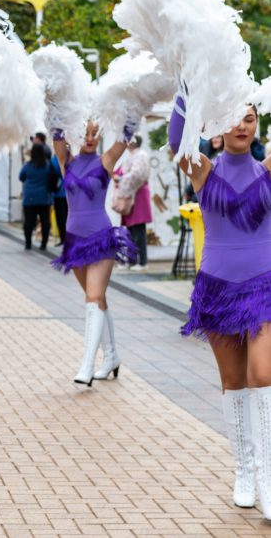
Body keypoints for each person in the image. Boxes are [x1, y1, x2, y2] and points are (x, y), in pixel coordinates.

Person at [171, 92, 271, 518]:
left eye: (249, 119)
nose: (242, 126)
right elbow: (177, 138)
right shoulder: (203, 171)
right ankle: (244, 470)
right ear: (217, 128)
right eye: (233, 119)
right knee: (233, 383)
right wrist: (187, 81)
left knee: (263, 373)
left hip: (265, 286)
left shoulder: (267, 171)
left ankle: (268, 476)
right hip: (217, 289)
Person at [52, 122, 136, 387]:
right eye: (84, 133)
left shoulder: (106, 159)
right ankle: (111, 356)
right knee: (98, 301)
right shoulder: (66, 160)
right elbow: (56, 128)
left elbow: (125, 135)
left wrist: (130, 109)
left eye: (94, 133)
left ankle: (87, 365)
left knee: (93, 298)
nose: (89, 138)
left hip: (100, 238)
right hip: (74, 241)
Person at [114, 135, 152, 271]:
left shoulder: (140, 155)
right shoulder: (131, 156)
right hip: (132, 195)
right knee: (131, 229)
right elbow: (122, 172)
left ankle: (141, 261)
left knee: (138, 229)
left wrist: (121, 178)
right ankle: (131, 260)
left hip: (138, 194)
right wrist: (118, 176)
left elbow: (138, 175)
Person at [19, 143, 55, 251]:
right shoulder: (48, 165)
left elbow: (21, 177)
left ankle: (28, 243)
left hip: (29, 197)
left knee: (29, 221)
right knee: (45, 222)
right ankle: (43, 244)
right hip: (44, 197)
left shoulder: (27, 166)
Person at [50, 153, 67, 246]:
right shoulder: (69, 158)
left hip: (58, 193)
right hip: (69, 192)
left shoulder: (54, 160)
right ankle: (68, 239)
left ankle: (63, 238)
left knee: (60, 217)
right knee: (68, 217)